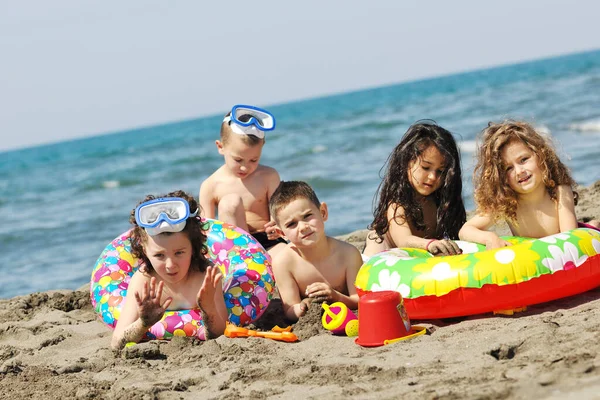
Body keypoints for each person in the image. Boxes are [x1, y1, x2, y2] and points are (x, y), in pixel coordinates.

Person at [111, 191, 228, 350]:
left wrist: (209, 310)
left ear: (193, 248)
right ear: (145, 251)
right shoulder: (143, 281)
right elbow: (116, 343)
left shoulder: (206, 276)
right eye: (159, 255)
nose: (170, 265)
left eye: (179, 253)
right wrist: (143, 322)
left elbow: (222, 335)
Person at [459, 121, 600, 248]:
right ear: (500, 178)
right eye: (508, 168)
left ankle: (593, 225)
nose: (519, 171)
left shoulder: (559, 191)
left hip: (567, 243)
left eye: (524, 159)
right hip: (534, 259)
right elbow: (465, 231)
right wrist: (489, 237)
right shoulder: (508, 202)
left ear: (541, 155)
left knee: (590, 230)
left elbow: (570, 239)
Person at [363, 122, 466, 257]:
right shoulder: (397, 204)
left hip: (413, 258)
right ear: (406, 162)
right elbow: (403, 241)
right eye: (425, 167)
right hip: (382, 256)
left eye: (441, 171)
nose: (432, 177)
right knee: (376, 243)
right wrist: (430, 244)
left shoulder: (439, 202)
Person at [268, 181, 362, 321]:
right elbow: (289, 309)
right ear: (281, 233)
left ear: (323, 212)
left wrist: (335, 297)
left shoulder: (348, 254)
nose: (303, 227)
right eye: (292, 224)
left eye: (307, 216)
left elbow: (359, 301)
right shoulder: (283, 263)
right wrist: (302, 308)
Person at [199, 104, 286, 256]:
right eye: (238, 160)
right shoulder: (210, 186)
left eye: (254, 160)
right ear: (220, 147)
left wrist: (277, 225)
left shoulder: (268, 176)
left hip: (270, 243)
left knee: (287, 257)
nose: (245, 167)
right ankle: (246, 260)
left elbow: (280, 214)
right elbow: (207, 232)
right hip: (235, 250)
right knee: (229, 203)